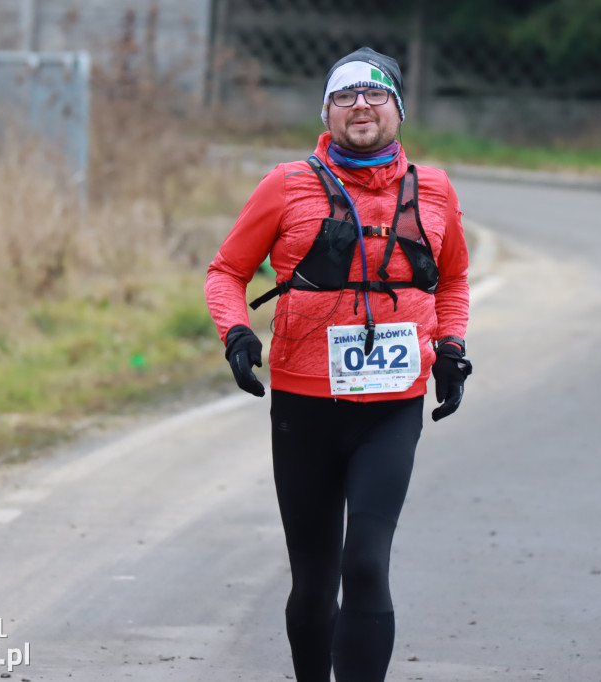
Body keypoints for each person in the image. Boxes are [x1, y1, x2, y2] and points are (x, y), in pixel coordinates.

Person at [204, 46, 472, 682]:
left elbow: (454, 280)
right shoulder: (286, 185)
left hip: (392, 405)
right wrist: (236, 334)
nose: (361, 105)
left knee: (366, 563)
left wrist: (452, 349)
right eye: (346, 95)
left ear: (398, 111)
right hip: (304, 405)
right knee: (317, 579)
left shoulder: (433, 190)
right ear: (327, 110)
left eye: (376, 95)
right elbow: (226, 273)